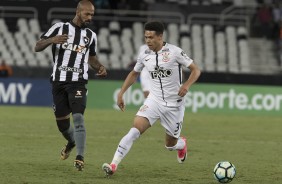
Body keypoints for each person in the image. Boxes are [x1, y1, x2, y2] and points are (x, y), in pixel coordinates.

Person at [102, 21, 201, 176]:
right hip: (153, 101)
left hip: (174, 106)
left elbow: (196, 70)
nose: (147, 40)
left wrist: (186, 85)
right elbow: (134, 74)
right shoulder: (144, 55)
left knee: (170, 145)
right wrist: (121, 93)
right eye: (145, 37)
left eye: (151, 37)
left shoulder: (175, 52)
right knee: (134, 130)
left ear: (160, 37)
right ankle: (113, 164)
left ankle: (181, 144)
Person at [34, 0, 107, 171]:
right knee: (62, 125)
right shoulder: (59, 27)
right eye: (87, 14)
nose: (90, 17)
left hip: (78, 82)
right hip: (59, 82)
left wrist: (100, 67)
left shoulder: (91, 35)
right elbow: (37, 46)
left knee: (79, 118)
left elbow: (91, 58)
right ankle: (71, 142)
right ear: (78, 11)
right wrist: (53, 40)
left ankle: (80, 157)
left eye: (92, 14)